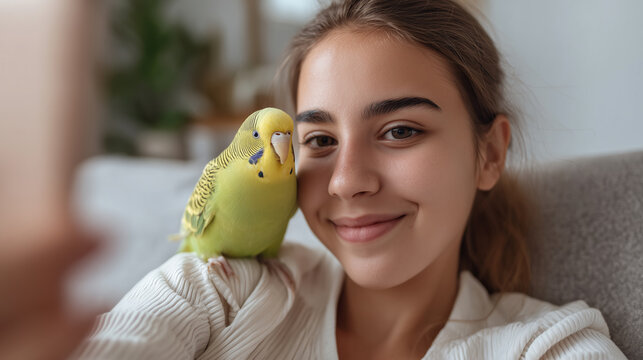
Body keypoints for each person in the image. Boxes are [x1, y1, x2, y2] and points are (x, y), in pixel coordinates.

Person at [75, 0, 627, 359]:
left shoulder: (550, 346)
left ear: (489, 153)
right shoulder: (217, 288)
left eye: (400, 131)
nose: (346, 182)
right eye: (319, 141)